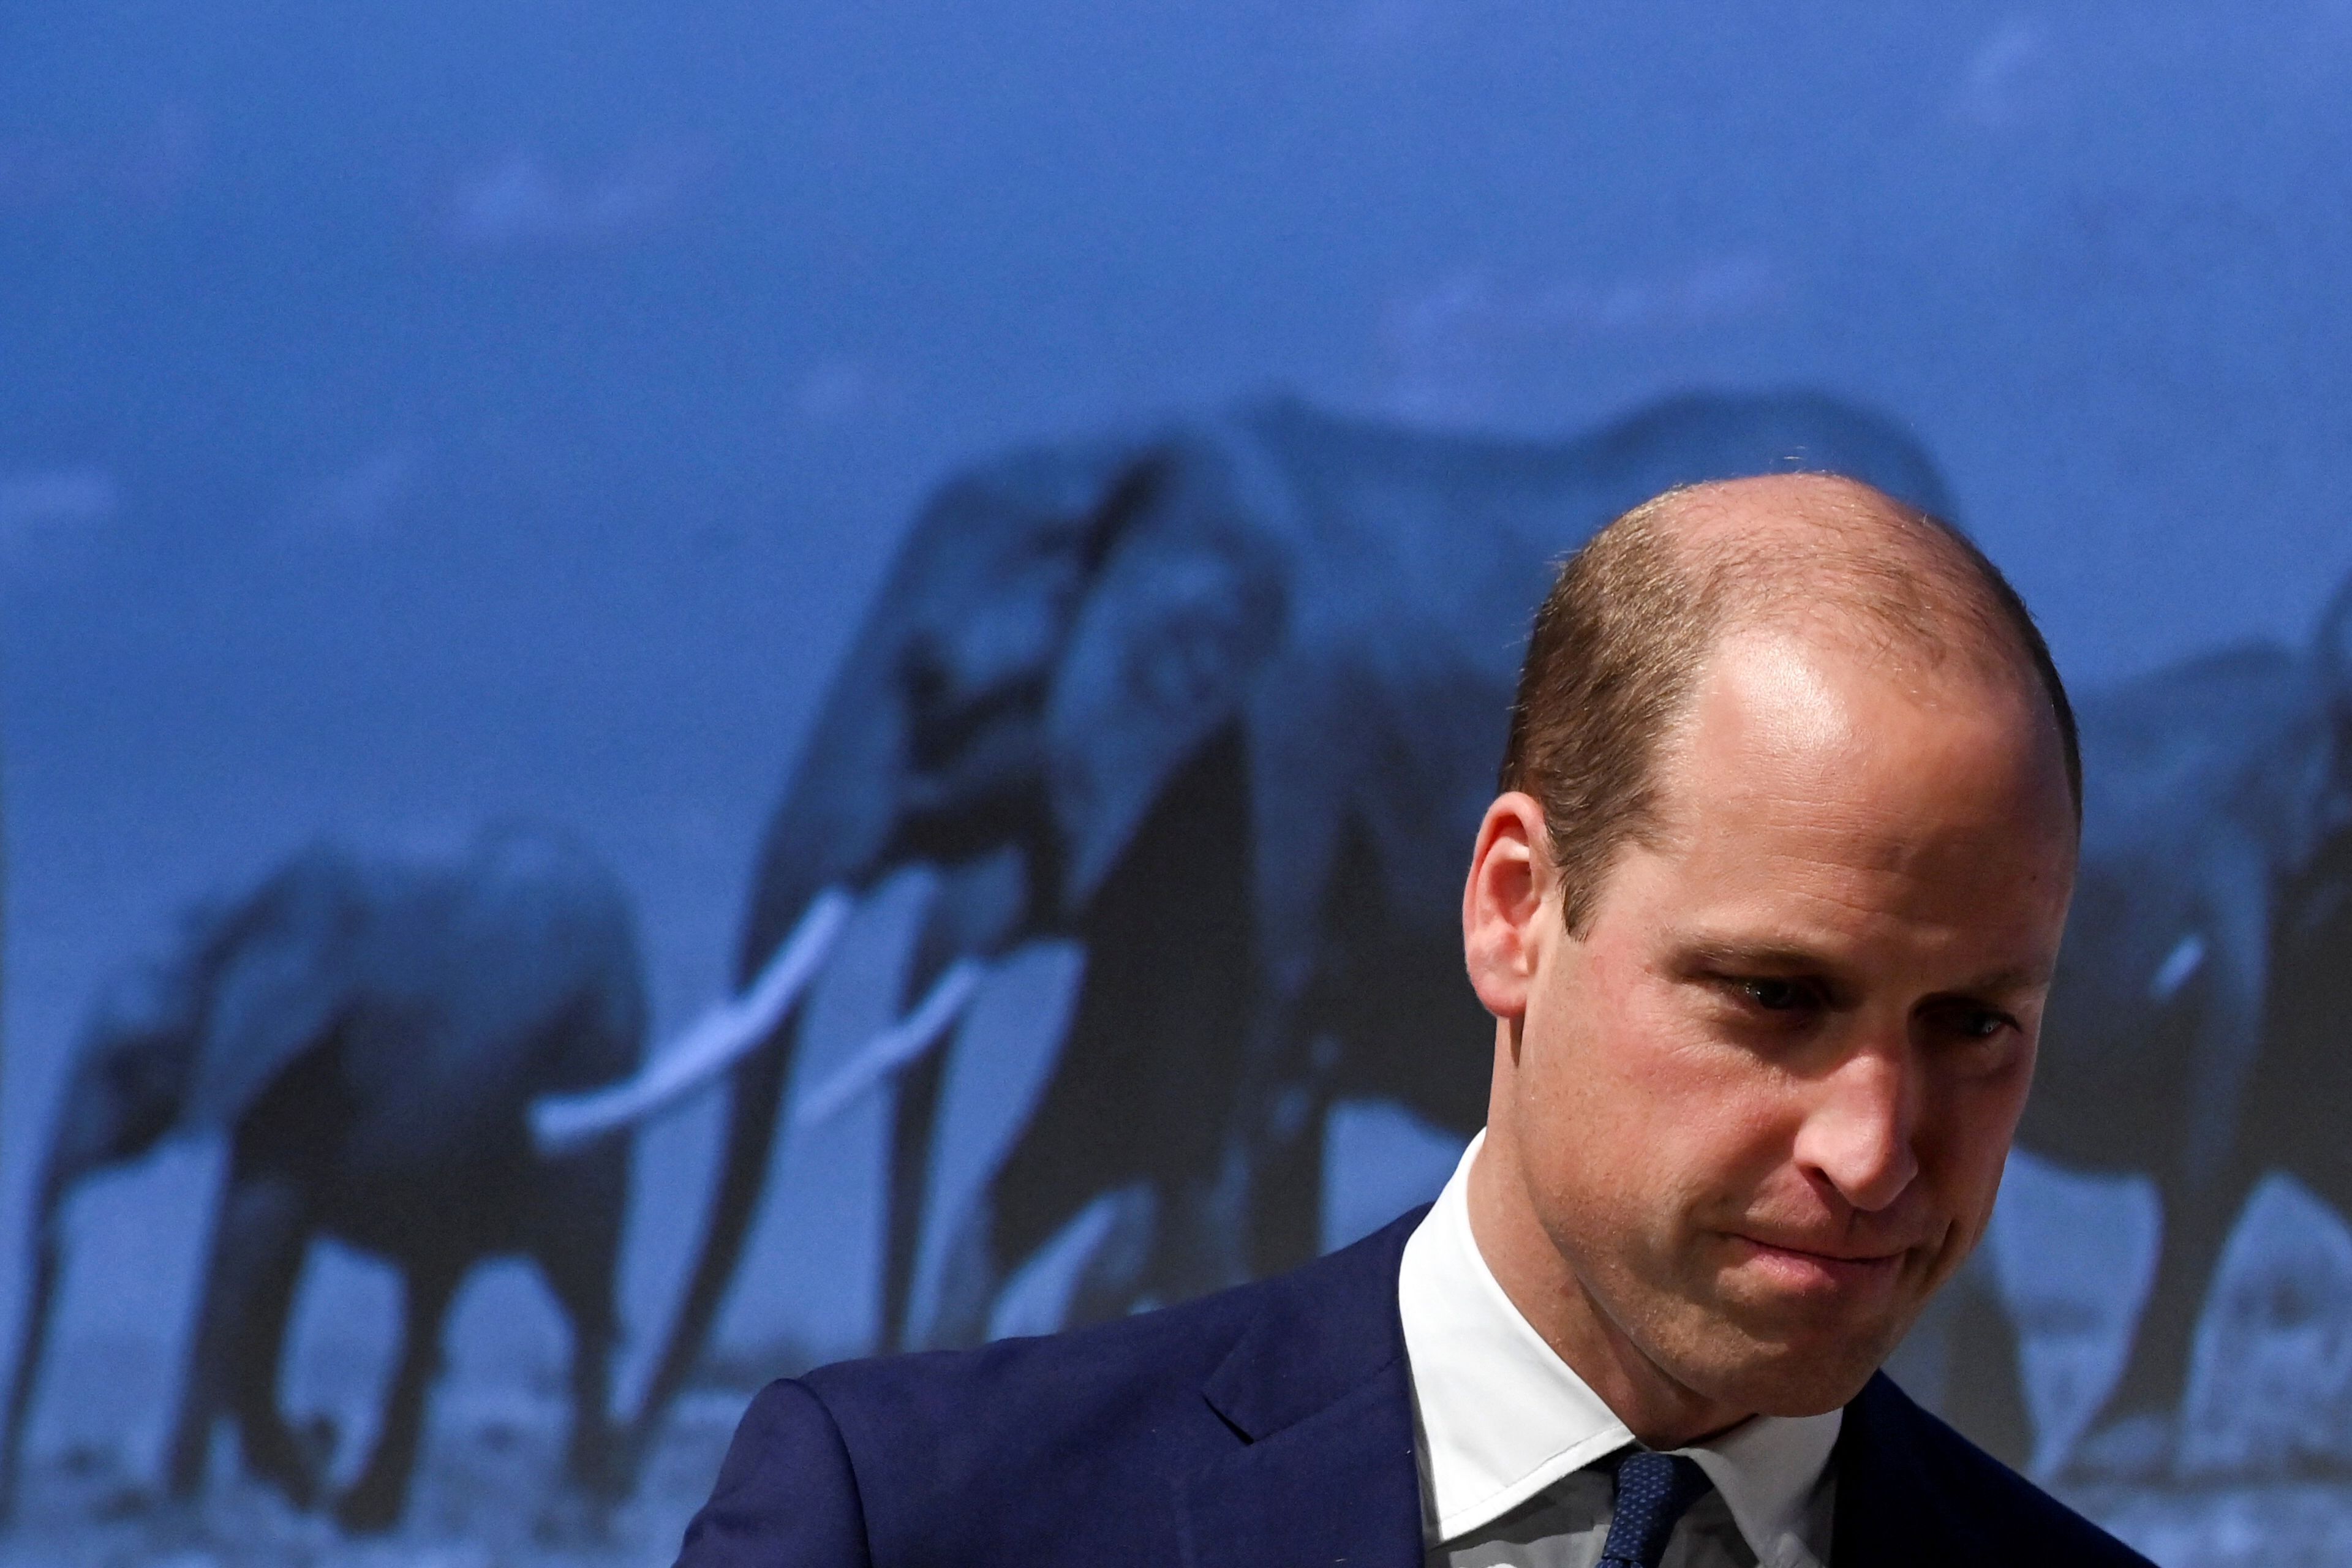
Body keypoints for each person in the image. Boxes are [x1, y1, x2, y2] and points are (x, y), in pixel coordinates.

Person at [672, 474, 2150, 1567]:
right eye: (1774, 996)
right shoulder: (915, 1524)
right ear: (1515, 908)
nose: (1875, 1145)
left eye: (1975, 1025)